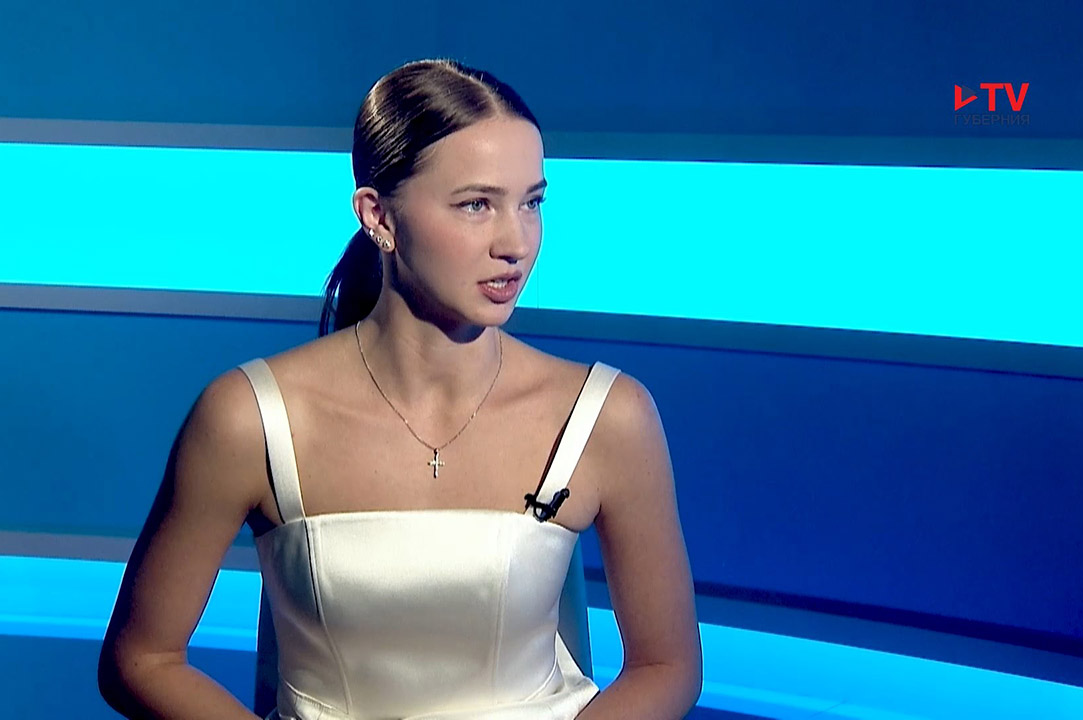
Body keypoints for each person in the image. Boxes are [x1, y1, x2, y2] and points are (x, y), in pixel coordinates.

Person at [98, 58, 701, 719]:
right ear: (378, 216)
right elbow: (141, 659)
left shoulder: (609, 416)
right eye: (477, 205)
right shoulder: (249, 419)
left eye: (531, 203)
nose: (516, 243)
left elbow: (666, 667)